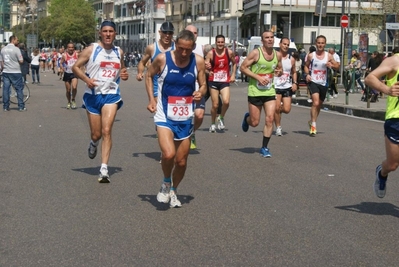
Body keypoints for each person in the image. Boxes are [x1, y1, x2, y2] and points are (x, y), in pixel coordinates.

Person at [145, 30, 206, 207]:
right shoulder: (163, 59)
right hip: (164, 113)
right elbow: (149, 75)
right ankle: (165, 182)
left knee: (181, 161)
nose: (184, 53)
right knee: (169, 154)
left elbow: (203, 85)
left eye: (188, 49)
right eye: (180, 49)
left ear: (193, 47)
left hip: (185, 115)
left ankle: (173, 190)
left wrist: (199, 93)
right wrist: (151, 99)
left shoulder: (198, 62)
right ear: (175, 45)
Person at [72, 20, 129, 183]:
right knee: (96, 134)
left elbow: (122, 69)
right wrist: (86, 79)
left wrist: (124, 74)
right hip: (93, 95)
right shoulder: (92, 49)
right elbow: (75, 67)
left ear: (115, 34)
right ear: (100, 33)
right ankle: (93, 143)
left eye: (111, 31)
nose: (108, 34)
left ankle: (104, 168)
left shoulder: (119, 52)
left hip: (111, 95)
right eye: (105, 31)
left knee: (106, 130)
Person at [240, 30, 283, 157]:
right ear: (262, 41)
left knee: (270, 119)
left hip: (269, 90)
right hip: (255, 91)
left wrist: (279, 72)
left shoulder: (278, 55)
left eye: (271, 37)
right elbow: (242, 68)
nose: (270, 39)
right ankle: (247, 118)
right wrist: (258, 77)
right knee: (255, 122)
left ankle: (264, 147)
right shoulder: (255, 53)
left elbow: (279, 69)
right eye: (267, 38)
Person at [364, 51, 399, 198]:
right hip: (396, 119)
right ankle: (382, 172)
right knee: (392, 164)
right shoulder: (394, 61)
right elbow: (370, 78)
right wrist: (388, 90)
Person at [303, 35, 339, 136]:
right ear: (316, 43)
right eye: (318, 43)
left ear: (325, 44)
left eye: (322, 43)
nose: (320, 45)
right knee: (315, 102)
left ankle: (312, 121)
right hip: (313, 81)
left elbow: (337, 66)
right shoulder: (311, 55)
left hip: (324, 82)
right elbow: (306, 66)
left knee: (319, 104)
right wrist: (307, 74)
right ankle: (314, 125)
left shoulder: (328, 56)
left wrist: (331, 65)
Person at [205, 34, 236, 132]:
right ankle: (213, 123)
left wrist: (233, 74)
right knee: (215, 105)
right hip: (213, 81)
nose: (220, 44)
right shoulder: (210, 53)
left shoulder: (229, 52)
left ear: (224, 43)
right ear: (215, 43)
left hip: (224, 81)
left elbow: (234, 63)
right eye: (218, 42)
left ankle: (221, 117)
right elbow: (205, 67)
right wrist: (208, 71)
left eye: (222, 42)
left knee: (226, 102)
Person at [136, 21, 175, 100]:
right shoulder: (152, 48)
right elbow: (142, 62)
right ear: (160, 32)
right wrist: (140, 73)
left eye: (170, 33)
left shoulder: (177, 47)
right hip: (157, 87)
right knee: (159, 110)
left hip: (173, 87)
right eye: (165, 32)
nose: (167, 35)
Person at [185, 24, 206, 149]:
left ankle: (192, 132)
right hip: (182, 90)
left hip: (198, 88)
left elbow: (204, 69)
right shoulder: (177, 48)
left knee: (199, 115)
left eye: (195, 33)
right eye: (190, 32)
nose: (193, 35)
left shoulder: (201, 49)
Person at [273, 37, 298, 136]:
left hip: (287, 86)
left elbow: (294, 72)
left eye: (287, 44)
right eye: (284, 44)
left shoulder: (291, 59)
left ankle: (277, 111)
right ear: (280, 44)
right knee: (277, 107)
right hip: (276, 86)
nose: (286, 46)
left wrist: (295, 82)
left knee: (287, 109)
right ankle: (278, 127)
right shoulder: (274, 57)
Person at [0, 35, 26, 112]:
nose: (17, 41)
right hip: (15, 71)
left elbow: (1, 62)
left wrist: (3, 68)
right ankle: (21, 106)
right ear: (13, 40)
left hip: (6, 71)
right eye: (17, 40)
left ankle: (6, 106)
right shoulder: (16, 49)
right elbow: (21, 61)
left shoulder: (3, 49)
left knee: (6, 89)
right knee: (19, 89)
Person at [60, 42, 79, 109]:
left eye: (72, 47)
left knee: (74, 87)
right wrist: (62, 68)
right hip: (67, 73)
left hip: (74, 73)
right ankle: (68, 101)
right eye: (69, 47)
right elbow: (61, 63)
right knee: (68, 90)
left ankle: (73, 99)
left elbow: (81, 62)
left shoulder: (76, 54)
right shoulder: (64, 55)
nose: (71, 49)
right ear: (67, 48)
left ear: (74, 48)